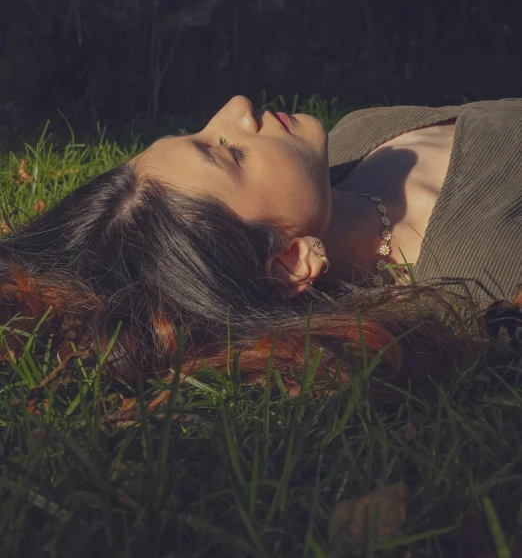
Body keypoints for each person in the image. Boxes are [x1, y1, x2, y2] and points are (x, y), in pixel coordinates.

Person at [1, 96, 520, 391]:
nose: (236, 108)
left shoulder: (354, 137)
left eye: (196, 130)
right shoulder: (492, 261)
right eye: (230, 153)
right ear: (292, 264)